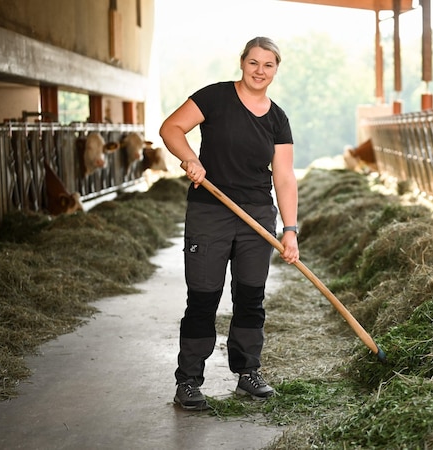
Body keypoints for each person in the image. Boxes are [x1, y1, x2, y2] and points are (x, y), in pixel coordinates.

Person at [159, 36, 299, 411]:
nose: (260, 71)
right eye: (254, 62)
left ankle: (247, 373)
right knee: (204, 298)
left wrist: (289, 230)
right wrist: (191, 159)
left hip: (256, 216)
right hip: (211, 210)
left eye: (268, 65)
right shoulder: (216, 97)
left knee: (251, 297)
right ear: (242, 63)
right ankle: (188, 380)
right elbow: (171, 128)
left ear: (276, 70)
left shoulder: (277, 118)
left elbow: (284, 177)